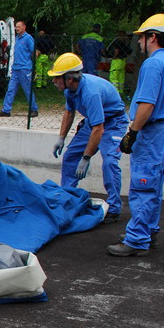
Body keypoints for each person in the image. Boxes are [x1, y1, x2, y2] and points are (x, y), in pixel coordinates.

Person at [107, 14, 164, 257]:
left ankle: (137, 239)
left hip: (152, 132)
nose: (138, 41)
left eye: (141, 37)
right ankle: (148, 230)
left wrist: (132, 132)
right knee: (154, 186)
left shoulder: (152, 64)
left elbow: (147, 105)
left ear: (152, 37)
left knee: (143, 185)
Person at [48, 53, 128, 224]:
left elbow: (99, 130)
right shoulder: (69, 90)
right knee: (70, 156)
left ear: (70, 78)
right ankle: (67, 197)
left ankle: (114, 208)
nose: (54, 81)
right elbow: (69, 113)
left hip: (113, 123)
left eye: (57, 78)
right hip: (94, 122)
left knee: (110, 162)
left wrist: (86, 157)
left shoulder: (90, 93)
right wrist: (61, 138)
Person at [0, 19, 38, 117]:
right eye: (16, 27)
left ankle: (34, 109)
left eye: (19, 27)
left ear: (24, 27)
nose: (17, 28)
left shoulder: (28, 38)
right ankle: (6, 110)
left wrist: (32, 66)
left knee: (28, 90)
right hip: (15, 68)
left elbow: (34, 52)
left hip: (25, 68)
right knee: (10, 89)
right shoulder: (16, 38)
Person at [106, 30, 132, 95]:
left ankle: (115, 92)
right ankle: (120, 92)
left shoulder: (118, 42)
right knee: (121, 78)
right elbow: (130, 51)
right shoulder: (125, 43)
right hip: (123, 61)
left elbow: (116, 50)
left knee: (113, 77)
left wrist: (114, 56)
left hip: (117, 61)